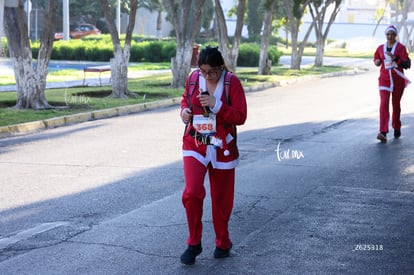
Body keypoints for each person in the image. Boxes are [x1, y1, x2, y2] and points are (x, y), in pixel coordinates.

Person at [179, 46, 247, 265]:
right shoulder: (192, 79)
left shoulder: (231, 83)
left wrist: (216, 105)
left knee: (221, 201)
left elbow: (240, 115)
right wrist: (184, 112)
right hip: (195, 143)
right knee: (192, 193)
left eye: (212, 72)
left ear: (221, 68)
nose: (208, 76)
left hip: (221, 146)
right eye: (204, 71)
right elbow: (185, 100)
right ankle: (193, 242)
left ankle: (222, 241)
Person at [373, 25, 411, 142]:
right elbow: (376, 59)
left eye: (392, 34)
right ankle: (383, 131)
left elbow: (407, 64)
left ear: (395, 35)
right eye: (388, 34)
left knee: (396, 104)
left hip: (397, 80)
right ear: (386, 35)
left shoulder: (401, 48)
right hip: (384, 79)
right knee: (383, 103)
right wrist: (377, 62)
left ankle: (397, 126)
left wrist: (396, 58)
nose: (390, 36)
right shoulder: (380, 48)